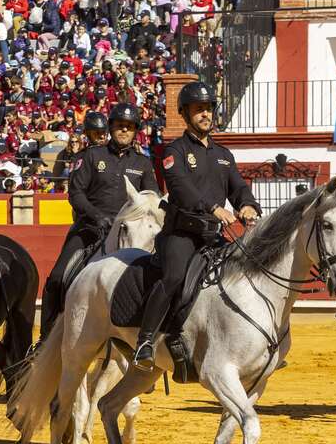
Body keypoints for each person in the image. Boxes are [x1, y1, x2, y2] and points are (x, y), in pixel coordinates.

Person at [133, 80, 260, 366]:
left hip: (213, 237)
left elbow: (238, 187)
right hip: (180, 235)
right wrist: (214, 208)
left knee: (242, 272)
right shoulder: (173, 151)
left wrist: (247, 205)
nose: (205, 114)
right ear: (186, 114)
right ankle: (145, 340)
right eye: (198, 109)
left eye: (208, 109)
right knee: (174, 277)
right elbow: (180, 188)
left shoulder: (223, 155)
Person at [39, 104, 156, 341]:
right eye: (119, 126)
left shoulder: (143, 164)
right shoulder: (93, 156)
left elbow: (152, 198)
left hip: (129, 234)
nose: (124, 130)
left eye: (129, 127)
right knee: (58, 277)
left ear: (136, 132)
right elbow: (76, 193)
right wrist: (97, 216)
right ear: (111, 128)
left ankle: (148, 338)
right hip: (90, 230)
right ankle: (45, 338)